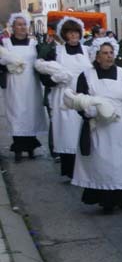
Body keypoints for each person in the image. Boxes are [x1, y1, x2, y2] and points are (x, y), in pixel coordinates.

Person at [67, 37, 122, 213]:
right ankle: (106, 199)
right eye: (104, 53)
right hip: (98, 126)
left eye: (111, 52)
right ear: (96, 56)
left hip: (121, 125)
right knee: (102, 162)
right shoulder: (86, 76)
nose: (109, 56)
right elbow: (79, 101)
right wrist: (91, 111)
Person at [35, 16, 93, 178]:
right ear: (64, 35)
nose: (74, 36)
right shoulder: (57, 52)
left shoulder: (87, 51)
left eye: (76, 33)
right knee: (67, 134)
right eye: (70, 33)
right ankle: (70, 170)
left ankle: (85, 169)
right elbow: (44, 74)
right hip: (63, 97)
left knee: (84, 132)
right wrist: (56, 79)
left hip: (82, 96)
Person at [0, 12, 48, 161]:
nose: (22, 27)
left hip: (31, 84)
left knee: (30, 113)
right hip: (14, 84)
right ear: (13, 27)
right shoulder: (6, 45)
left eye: (24, 24)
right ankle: (18, 148)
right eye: (18, 24)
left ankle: (30, 146)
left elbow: (42, 61)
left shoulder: (34, 44)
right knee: (16, 114)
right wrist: (7, 68)